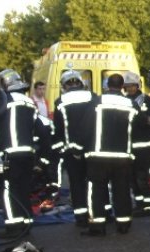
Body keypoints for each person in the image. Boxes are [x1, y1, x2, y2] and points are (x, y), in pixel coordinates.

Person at [0, 69, 51, 239]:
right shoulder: (29, 102)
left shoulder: (3, 101)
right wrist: (43, 159)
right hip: (28, 154)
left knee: (6, 190)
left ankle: (13, 226)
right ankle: (26, 223)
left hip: (9, 154)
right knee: (23, 189)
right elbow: (42, 130)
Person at [82, 74, 137, 236]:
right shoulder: (130, 103)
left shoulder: (97, 102)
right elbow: (140, 124)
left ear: (107, 85)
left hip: (99, 155)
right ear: (122, 86)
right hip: (122, 156)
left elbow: (86, 126)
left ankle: (97, 226)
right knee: (122, 189)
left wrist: (81, 149)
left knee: (97, 190)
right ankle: (124, 223)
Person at [52, 70, 98, 228]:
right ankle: (98, 214)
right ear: (80, 82)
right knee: (94, 183)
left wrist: (58, 149)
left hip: (71, 150)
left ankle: (81, 217)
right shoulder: (93, 96)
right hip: (92, 147)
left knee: (77, 184)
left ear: (64, 86)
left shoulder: (60, 101)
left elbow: (58, 128)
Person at [123, 71, 150, 216]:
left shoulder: (146, 100)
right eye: (127, 86)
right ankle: (139, 204)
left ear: (137, 85)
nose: (130, 89)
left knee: (143, 178)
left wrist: (147, 120)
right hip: (130, 146)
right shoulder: (124, 101)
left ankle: (149, 206)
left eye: (132, 86)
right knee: (132, 178)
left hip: (144, 146)